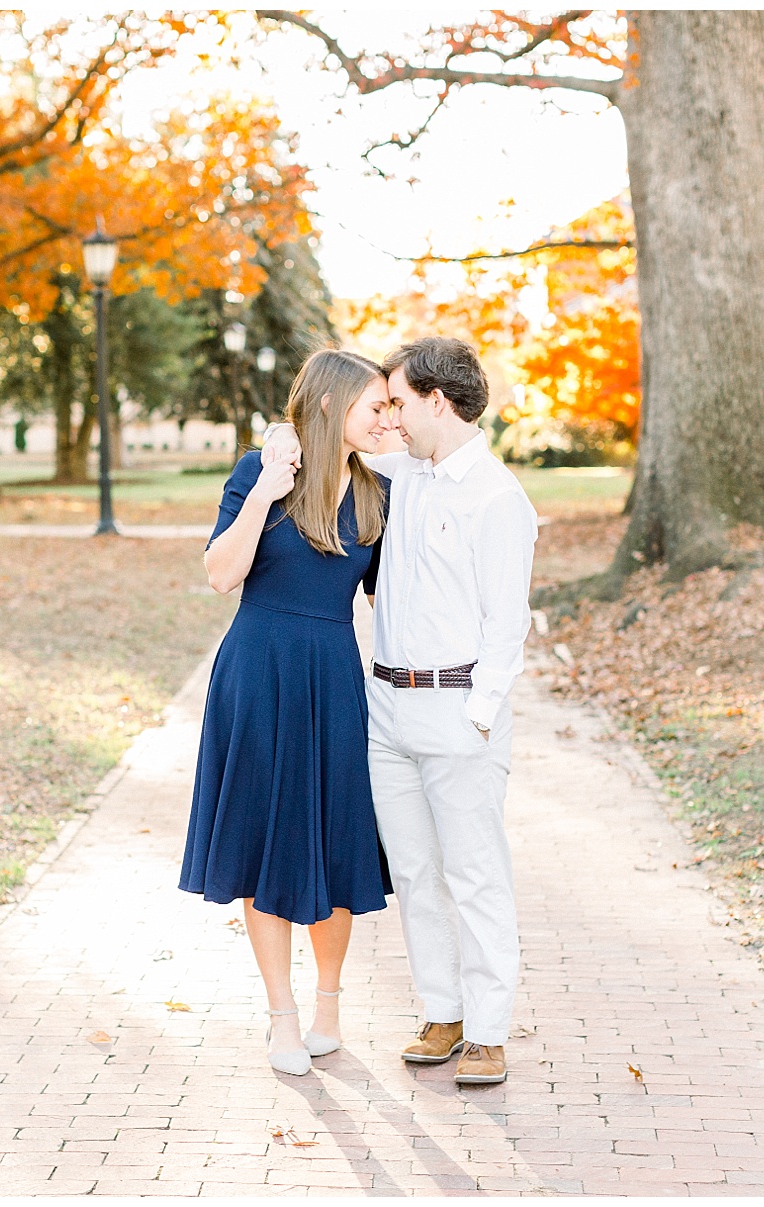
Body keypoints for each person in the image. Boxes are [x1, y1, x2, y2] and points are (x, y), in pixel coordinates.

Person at [263, 336, 537, 1086]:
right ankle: (441, 1012)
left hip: (459, 708)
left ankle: (486, 1030)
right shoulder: (397, 474)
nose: (387, 415)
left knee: (475, 872)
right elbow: (308, 437)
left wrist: (480, 716)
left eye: (397, 401)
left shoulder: (497, 496)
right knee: (414, 871)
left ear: (435, 402)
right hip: (385, 707)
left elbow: (506, 625)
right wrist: (277, 433)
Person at [180, 348, 397, 1077]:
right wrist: (264, 490)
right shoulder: (262, 472)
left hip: (333, 676)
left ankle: (329, 1004)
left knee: (336, 843)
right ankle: (282, 1015)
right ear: (334, 405)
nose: (386, 418)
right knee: (266, 842)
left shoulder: (376, 496)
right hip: (258, 672)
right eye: (377, 406)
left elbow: (392, 602)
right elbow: (220, 574)